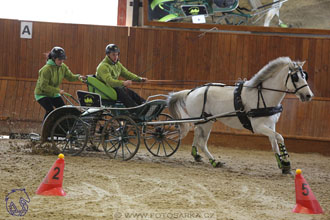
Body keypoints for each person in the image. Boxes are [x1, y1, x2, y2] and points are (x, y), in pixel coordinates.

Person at [34, 46, 85, 120]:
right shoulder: (46, 69)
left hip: (54, 93)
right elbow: (43, 86)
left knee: (63, 111)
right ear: (54, 58)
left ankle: (61, 129)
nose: (61, 61)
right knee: (50, 111)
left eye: (62, 59)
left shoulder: (62, 67)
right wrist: (58, 91)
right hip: (42, 94)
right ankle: (45, 130)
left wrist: (78, 77)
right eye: (59, 59)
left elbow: (70, 77)